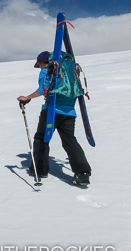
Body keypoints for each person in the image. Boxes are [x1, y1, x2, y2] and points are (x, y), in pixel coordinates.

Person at [17, 51, 92, 185]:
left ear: (40, 63)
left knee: (41, 138)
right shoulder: (67, 69)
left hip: (51, 110)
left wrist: (27, 98)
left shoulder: (46, 71)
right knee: (69, 140)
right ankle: (82, 172)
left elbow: (42, 90)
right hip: (69, 112)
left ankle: (40, 170)